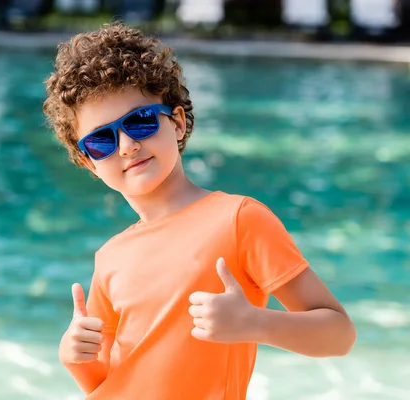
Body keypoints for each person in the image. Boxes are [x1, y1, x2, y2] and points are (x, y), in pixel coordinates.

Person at [42, 22, 356, 400]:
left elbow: (339, 335)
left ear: (176, 122)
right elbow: (112, 380)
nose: (126, 146)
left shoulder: (239, 220)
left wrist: (255, 323)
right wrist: (76, 360)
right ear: (89, 162)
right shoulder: (109, 258)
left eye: (139, 122)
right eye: (101, 140)